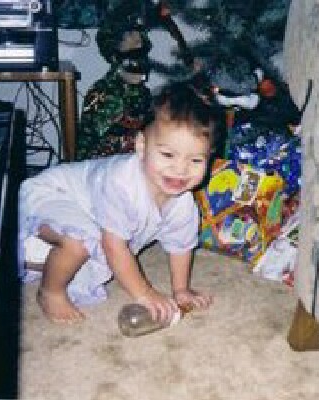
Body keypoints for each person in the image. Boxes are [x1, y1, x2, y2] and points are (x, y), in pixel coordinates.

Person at [19, 79, 220, 324]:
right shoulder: (121, 184)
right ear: (141, 146)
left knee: (90, 258)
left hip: (85, 217)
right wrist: (144, 293)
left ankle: (38, 257)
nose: (180, 169)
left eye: (196, 160)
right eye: (168, 154)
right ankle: (50, 292)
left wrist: (181, 291)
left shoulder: (183, 204)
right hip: (52, 194)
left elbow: (181, 247)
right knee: (80, 242)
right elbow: (114, 246)